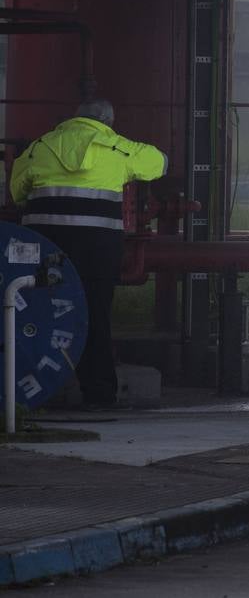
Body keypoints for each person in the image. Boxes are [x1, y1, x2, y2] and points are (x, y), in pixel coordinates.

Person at [9, 99, 166, 409]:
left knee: (37, 315)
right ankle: (99, 394)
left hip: (47, 248)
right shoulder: (117, 147)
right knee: (95, 317)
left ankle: (33, 392)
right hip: (97, 249)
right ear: (106, 121)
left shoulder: (41, 147)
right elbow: (159, 163)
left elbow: (17, 192)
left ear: (74, 118)